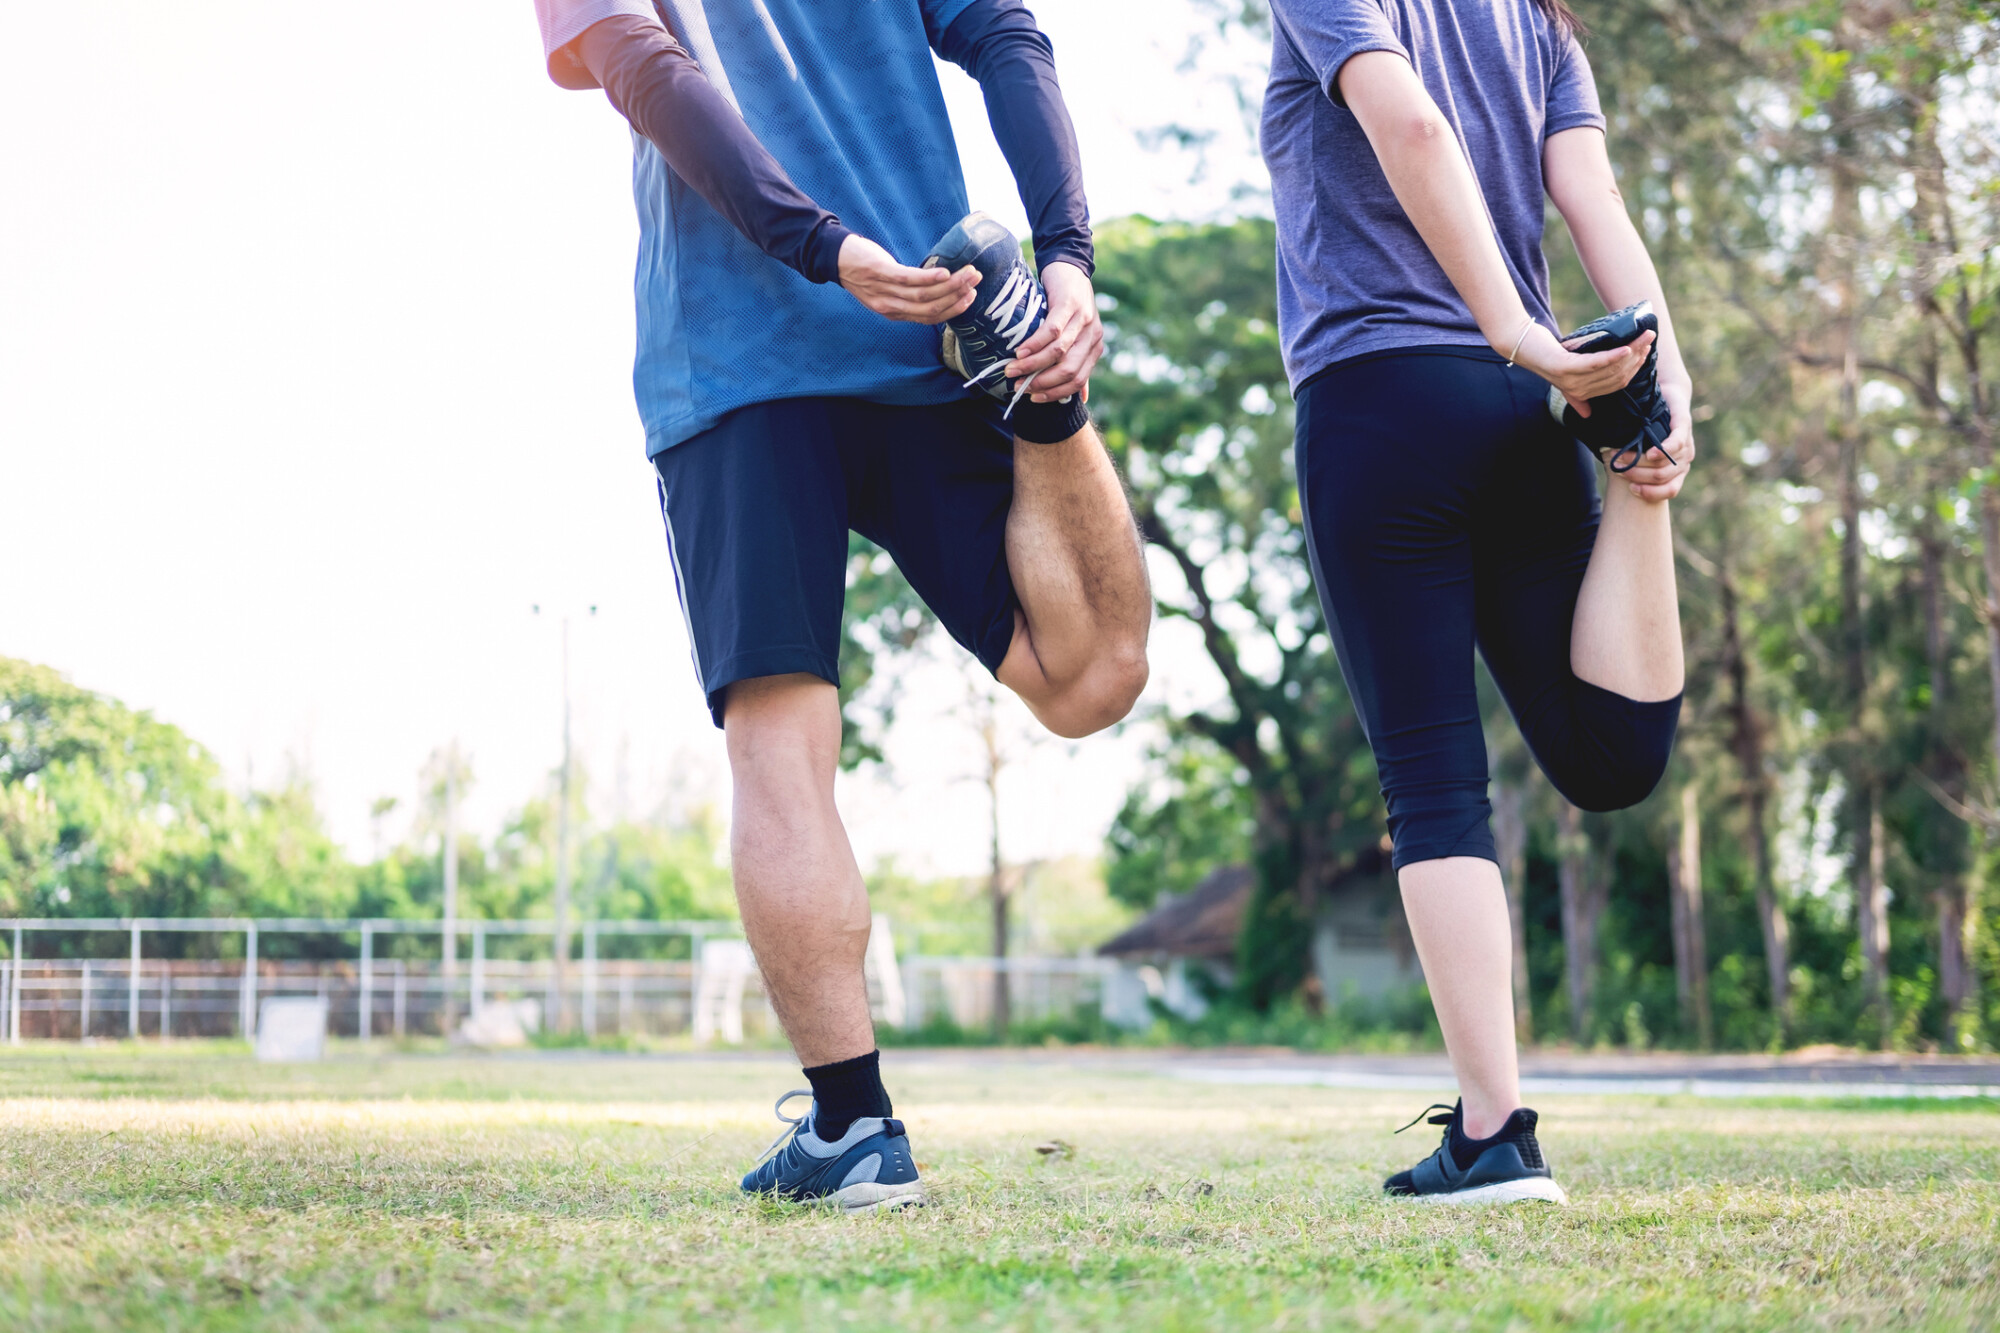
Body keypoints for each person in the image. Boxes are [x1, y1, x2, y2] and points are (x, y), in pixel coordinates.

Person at [531, 0, 1150, 1211]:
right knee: (1079, 680)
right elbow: (1007, 38)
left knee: (787, 750)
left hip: (770, 347)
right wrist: (1061, 251)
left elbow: (644, 70)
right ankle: (1044, 379)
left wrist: (820, 246)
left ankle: (855, 1132)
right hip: (891, 319)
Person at [1262, 0, 1694, 1202]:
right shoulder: (1537, 20)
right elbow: (1591, 204)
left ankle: (1494, 1131)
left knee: (1434, 781)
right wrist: (1660, 373)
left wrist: (1514, 329)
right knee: (1605, 756)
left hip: (1378, 397)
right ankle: (1639, 490)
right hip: (1525, 415)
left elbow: (1404, 119)